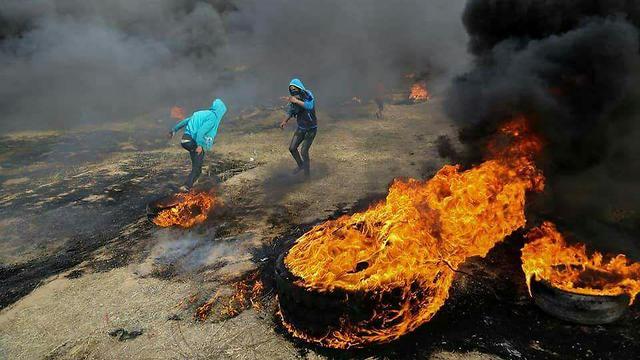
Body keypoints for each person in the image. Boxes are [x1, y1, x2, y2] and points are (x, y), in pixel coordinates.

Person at [169, 98, 227, 191]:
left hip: (185, 140)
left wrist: (173, 130)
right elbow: (201, 132)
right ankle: (186, 186)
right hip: (193, 142)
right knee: (196, 167)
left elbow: (185, 121)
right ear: (220, 111)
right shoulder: (213, 117)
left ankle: (191, 187)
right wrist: (200, 145)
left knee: (198, 168)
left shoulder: (201, 113)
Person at [280, 78, 317, 177]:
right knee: (292, 148)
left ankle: (307, 176)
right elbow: (291, 111)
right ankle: (301, 166)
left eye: (294, 88)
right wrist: (285, 121)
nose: (293, 90)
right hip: (301, 128)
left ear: (299, 87)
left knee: (304, 151)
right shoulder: (293, 98)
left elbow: (309, 106)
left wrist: (296, 101)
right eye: (291, 89)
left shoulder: (308, 94)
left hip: (311, 129)